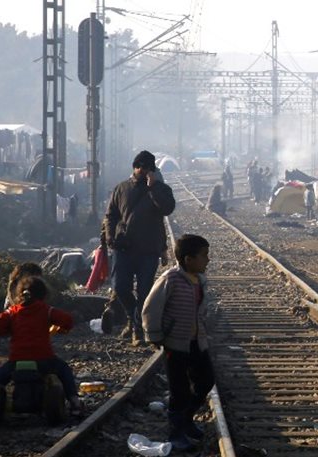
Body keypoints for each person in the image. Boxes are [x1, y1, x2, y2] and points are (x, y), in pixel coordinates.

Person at [142, 234, 214, 451]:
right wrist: (155, 335)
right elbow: (151, 308)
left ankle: (186, 420)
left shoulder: (200, 280)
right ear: (188, 259)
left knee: (205, 381)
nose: (207, 260)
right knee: (179, 390)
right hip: (175, 344)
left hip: (196, 341)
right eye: (204, 256)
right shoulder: (170, 279)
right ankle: (176, 434)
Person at [0, 276, 82, 415]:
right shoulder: (46, 310)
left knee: (0, 376)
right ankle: (74, 401)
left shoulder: (13, 311)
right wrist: (61, 327)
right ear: (42, 294)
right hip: (43, 359)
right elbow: (67, 320)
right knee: (64, 370)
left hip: (17, 360)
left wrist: (8, 330)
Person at [103, 150, 176, 346]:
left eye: (146, 167)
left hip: (148, 250)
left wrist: (153, 188)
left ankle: (136, 328)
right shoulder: (121, 189)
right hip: (123, 248)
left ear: (152, 170)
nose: (142, 170)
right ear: (134, 167)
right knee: (120, 287)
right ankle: (131, 317)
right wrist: (110, 237)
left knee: (144, 291)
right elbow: (110, 215)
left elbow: (167, 208)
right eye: (139, 166)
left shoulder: (161, 189)